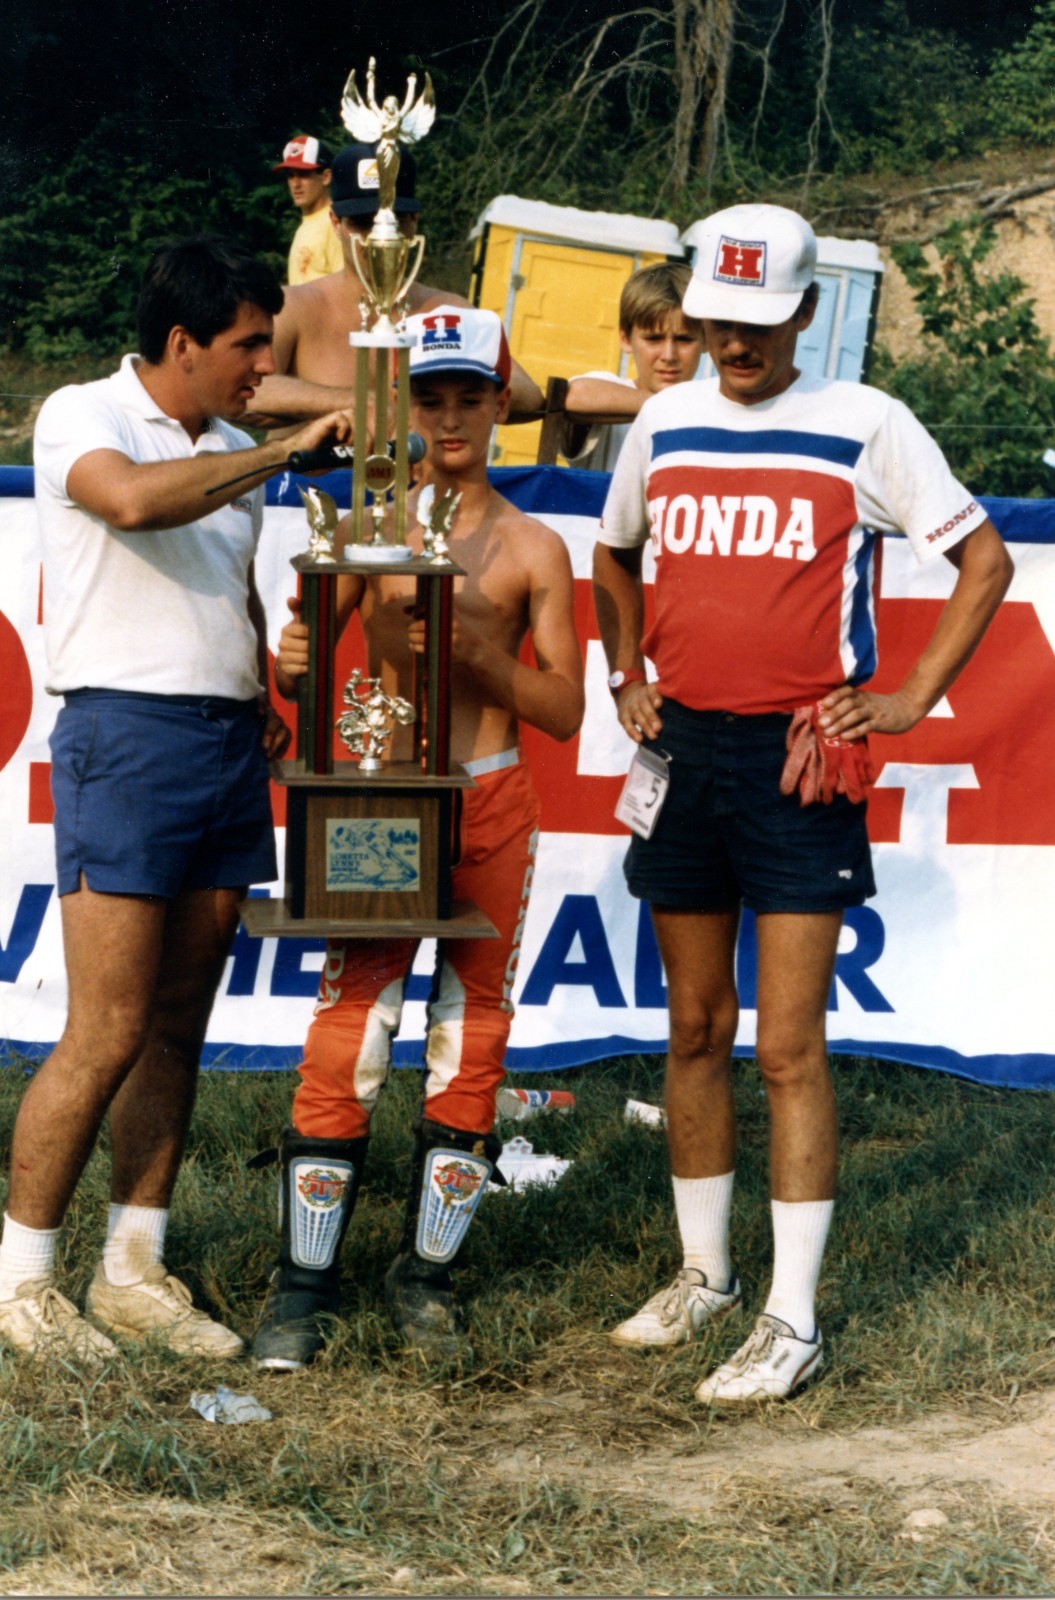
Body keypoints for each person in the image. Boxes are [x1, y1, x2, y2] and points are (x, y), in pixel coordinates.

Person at [592, 203, 1013, 1404]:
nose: (735, 345)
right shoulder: (663, 420)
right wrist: (625, 674)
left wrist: (907, 697)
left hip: (795, 760)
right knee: (688, 1030)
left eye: (759, 324)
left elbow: (978, 558)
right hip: (681, 754)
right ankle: (703, 1274)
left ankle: (792, 1317)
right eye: (718, 322)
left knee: (784, 1045)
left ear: (807, 313)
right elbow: (612, 555)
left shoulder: (863, 421)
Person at [0, 235, 355, 1365]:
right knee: (103, 1028)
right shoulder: (80, 413)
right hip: (122, 736)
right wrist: (282, 452)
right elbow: (137, 506)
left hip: (219, 745)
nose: (265, 365)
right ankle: (20, 1285)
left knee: (174, 1027)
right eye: (249, 346)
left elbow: (229, 591)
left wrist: (269, 670)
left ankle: (133, 1269)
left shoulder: (228, 443)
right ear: (181, 343)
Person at [251, 305, 584, 1371]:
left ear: (500, 406)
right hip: (383, 802)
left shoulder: (535, 545)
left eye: (467, 398)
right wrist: (297, 652)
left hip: (487, 797)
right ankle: (303, 1284)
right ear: (405, 407)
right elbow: (302, 655)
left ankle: (424, 1279)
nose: (447, 418)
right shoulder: (364, 527)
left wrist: (476, 657)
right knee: (354, 1016)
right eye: (427, 399)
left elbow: (567, 709)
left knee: (471, 1026)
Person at [248, 141, 544, 426]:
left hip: (416, 476)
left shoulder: (445, 310)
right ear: (336, 223)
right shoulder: (294, 307)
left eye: (393, 221)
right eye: (363, 222)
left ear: (414, 220)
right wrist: (357, 403)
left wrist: (445, 390)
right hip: (313, 477)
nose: (379, 239)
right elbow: (245, 392)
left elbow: (528, 396)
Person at [561, 262, 705, 472]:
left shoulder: (710, 407)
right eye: (653, 339)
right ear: (626, 339)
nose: (669, 355)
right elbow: (574, 395)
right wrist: (674, 406)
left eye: (684, 339)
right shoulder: (610, 389)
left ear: (708, 341)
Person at [273, 135, 343, 286]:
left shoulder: (334, 223)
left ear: (326, 177)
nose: (295, 184)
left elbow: (348, 290)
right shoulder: (307, 224)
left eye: (303, 174)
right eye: (291, 176)